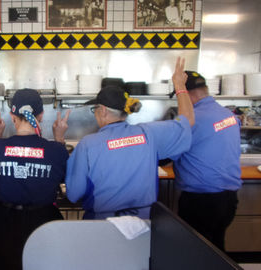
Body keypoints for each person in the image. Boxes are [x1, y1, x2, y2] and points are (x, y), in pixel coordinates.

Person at [65, 57, 194, 220]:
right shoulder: (149, 134)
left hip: (101, 225)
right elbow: (188, 121)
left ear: (103, 110)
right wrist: (180, 86)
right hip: (142, 223)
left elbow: (74, 194)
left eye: (94, 109)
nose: (95, 113)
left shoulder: (88, 145)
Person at [0, 89, 71, 270]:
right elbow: (64, 174)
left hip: (5, 225)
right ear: (41, 116)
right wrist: (59, 138)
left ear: (12, 117)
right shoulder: (56, 149)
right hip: (44, 224)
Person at [171, 71, 242, 251]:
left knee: (197, 253)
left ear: (188, 95)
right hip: (229, 199)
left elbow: (167, 154)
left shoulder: (193, 120)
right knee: (216, 249)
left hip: (201, 200)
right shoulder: (228, 115)